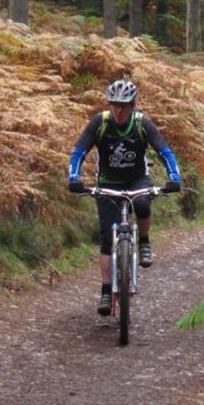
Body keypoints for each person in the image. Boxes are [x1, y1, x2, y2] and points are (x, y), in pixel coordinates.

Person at [67, 80, 181, 315]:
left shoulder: (142, 124)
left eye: (124, 106)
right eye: (115, 105)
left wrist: (174, 177)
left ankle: (145, 241)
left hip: (136, 179)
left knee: (141, 203)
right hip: (108, 182)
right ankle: (106, 291)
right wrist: (74, 178)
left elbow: (164, 151)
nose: (119, 111)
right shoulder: (100, 123)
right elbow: (79, 151)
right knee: (108, 238)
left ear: (133, 105)